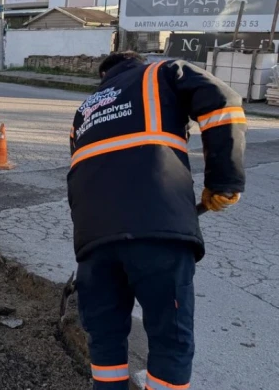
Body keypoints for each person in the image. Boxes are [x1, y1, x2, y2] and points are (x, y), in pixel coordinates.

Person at [68, 51, 246, 390]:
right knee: (170, 341)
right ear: (138, 62)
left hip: (94, 242)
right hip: (157, 233)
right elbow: (223, 100)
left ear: (104, 76)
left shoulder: (86, 110)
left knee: (105, 339)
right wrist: (224, 181)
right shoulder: (161, 73)